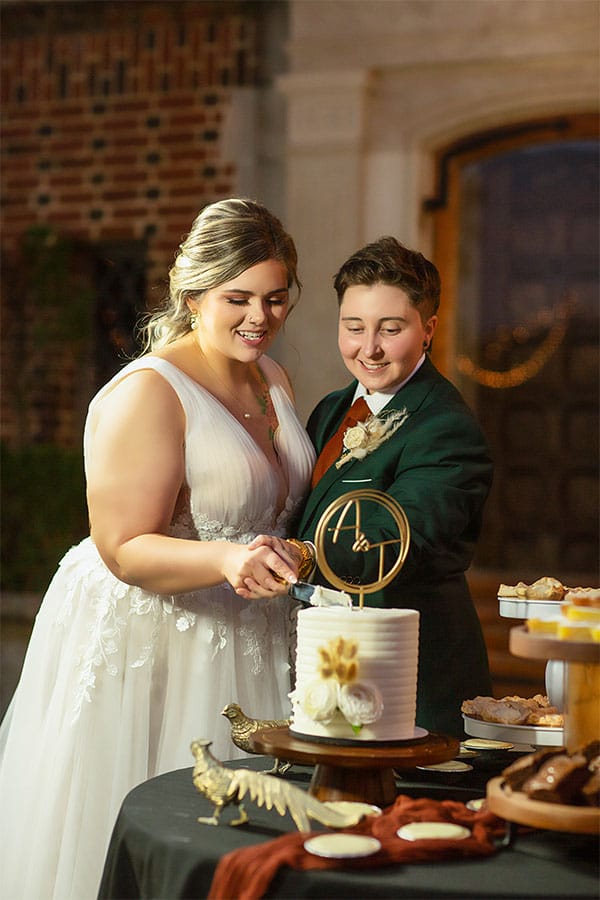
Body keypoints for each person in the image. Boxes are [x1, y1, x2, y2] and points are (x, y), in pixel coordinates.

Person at [0, 198, 316, 900]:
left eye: (275, 298)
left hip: (257, 629)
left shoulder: (274, 381)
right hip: (164, 634)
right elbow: (120, 549)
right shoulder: (149, 392)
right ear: (193, 292)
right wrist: (227, 560)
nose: (260, 318)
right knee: (169, 831)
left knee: (257, 846)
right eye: (238, 299)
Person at [294, 236, 493, 739]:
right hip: (332, 662)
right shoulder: (331, 409)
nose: (369, 349)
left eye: (391, 329)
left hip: (409, 685)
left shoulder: (447, 427)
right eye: (353, 327)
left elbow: (399, 542)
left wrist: (294, 555)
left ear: (428, 330)